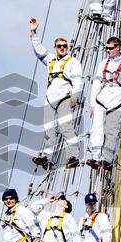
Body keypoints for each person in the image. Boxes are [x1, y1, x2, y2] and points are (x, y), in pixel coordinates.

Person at [29, 18, 83, 170]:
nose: (62, 48)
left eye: (65, 46)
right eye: (59, 46)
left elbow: (78, 80)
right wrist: (33, 32)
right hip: (50, 98)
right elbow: (39, 50)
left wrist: (75, 97)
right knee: (49, 129)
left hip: (65, 97)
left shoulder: (73, 62)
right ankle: (47, 157)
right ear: (55, 47)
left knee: (66, 126)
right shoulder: (51, 59)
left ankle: (73, 155)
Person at [86, 36, 121, 170]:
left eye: (110, 48)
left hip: (117, 101)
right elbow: (96, 84)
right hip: (101, 99)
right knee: (96, 129)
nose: (108, 51)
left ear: (118, 47)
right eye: (106, 48)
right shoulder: (103, 63)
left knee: (112, 131)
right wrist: (92, 104)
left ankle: (106, 160)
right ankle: (95, 157)